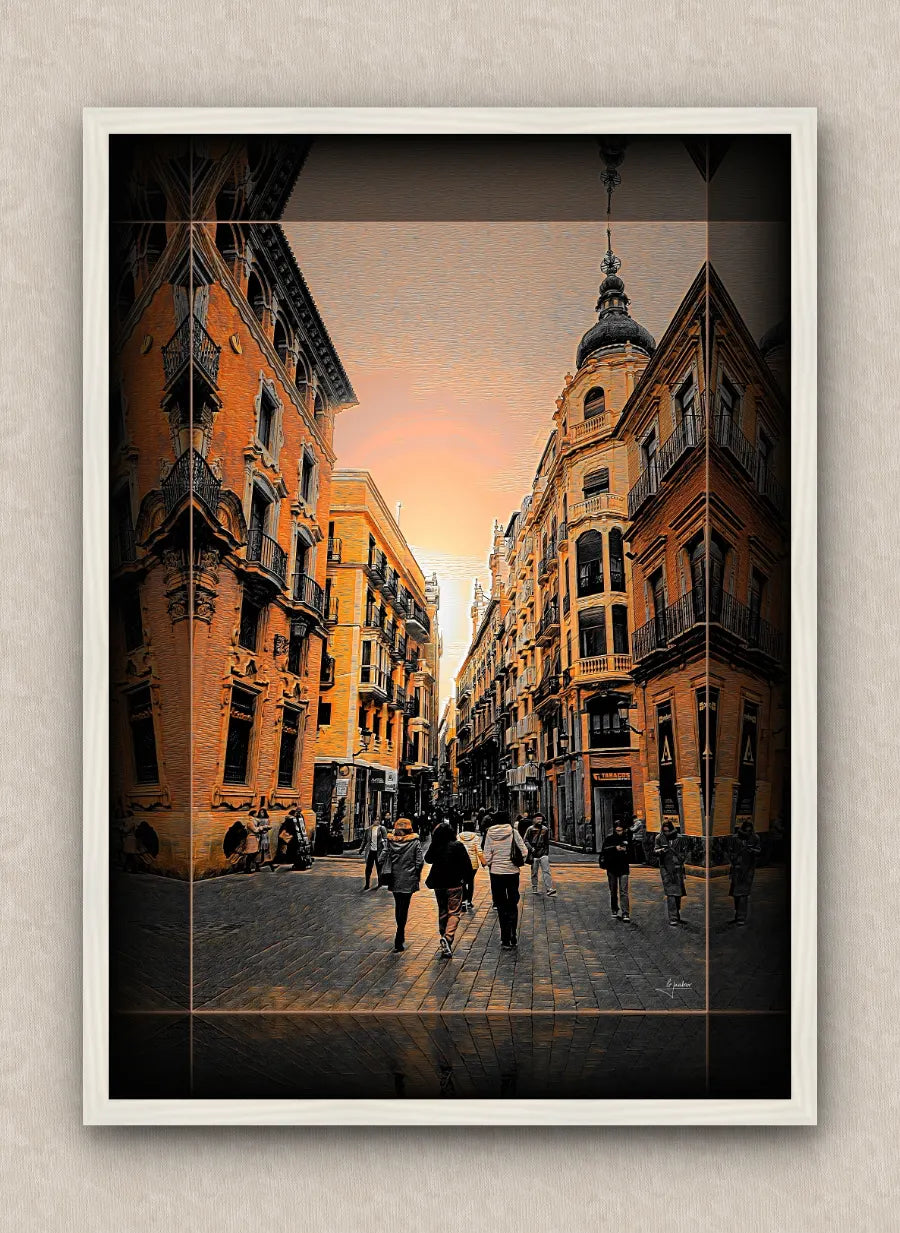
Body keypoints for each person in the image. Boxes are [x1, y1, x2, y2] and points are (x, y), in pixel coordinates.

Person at [424, 822, 473, 956]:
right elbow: (466, 865)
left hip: (439, 883)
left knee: (443, 910)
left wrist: (434, 844)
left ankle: (443, 935)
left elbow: (427, 859)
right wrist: (467, 881)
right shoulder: (457, 846)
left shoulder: (437, 845)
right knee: (454, 912)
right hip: (454, 883)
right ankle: (448, 937)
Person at [482, 809, 528, 948]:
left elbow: (487, 854)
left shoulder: (490, 832)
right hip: (512, 872)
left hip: (496, 873)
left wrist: (491, 863)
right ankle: (513, 933)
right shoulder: (513, 832)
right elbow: (524, 850)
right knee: (512, 904)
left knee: (501, 905)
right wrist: (518, 862)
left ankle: (505, 938)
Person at [380, 816, 425, 952]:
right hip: (409, 878)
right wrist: (416, 874)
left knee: (398, 904)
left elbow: (382, 857)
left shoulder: (390, 841)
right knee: (404, 906)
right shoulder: (414, 842)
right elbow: (420, 861)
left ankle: (399, 932)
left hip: (394, 877)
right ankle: (400, 934)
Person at [729, 818, 762, 925]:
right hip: (737, 870)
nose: (748, 832)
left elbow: (758, 850)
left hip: (748, 870)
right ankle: (738, 913)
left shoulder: (755, 837)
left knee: (743, 893)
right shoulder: (736, 839)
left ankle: (741, 917)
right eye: (746, 830)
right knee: (736, 893)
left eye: (750, 830)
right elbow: (731, 852)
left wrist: (752, 850)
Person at [654, 819, 687, 925]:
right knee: (671, 892)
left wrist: (681, 858)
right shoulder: (659, 838)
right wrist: (661, 851)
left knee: (678, 892)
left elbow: (684, 851)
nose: (666, 833)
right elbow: (655, 850)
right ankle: (673, 917)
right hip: (665, 867)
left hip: (677, 867)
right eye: (664, 831)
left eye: (668, 831)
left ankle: (677, 914)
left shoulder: (679, 838)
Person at [600, 821, 631, 921]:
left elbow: (631, 851)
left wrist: (625, 850)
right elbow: (604, 850)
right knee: (613, 891)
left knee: (624, 892)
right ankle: (614, 909)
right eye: (617, 831)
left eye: (620, 831)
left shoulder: (627, 838)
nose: (619, 832)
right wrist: (615, 848)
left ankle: (625, 913)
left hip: (624, 868)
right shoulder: (610, 839)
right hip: (612, 868)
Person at [524, 812, 556, 896]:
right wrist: (531, 848)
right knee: (534, 872)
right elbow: (525, 840)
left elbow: (546, 842)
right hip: (534, 853)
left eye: (540, 819)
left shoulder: (545, 829)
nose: (539, 821)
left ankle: (549, 888)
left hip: (543, 852)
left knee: (546, 871)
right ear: (534, 820)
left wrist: (546, 852)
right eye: (538, 819)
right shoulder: (530, 829)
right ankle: (534, 886)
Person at [456, 819, 482, 911]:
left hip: (461, 863)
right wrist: (483, 861)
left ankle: (463, 901)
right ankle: (469, 902)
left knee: (462, 881)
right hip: (472, 864)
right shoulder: (475, 837)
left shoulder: (458, 836)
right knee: (470, 882)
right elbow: (479, 851)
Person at [360, 815, 388, 890]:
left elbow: (385, 839)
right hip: (371, 851)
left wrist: (385, 849)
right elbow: (365, 840)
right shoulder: (368, 829)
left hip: (379, 851)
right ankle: (367, 883)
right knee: (368, 868)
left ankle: (380, 882)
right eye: (376, 820)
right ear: (372, 821)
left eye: (378, 820)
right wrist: (361, 849)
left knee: (379, 868)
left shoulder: (382, 829)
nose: (377, 821)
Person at [255, 798, 274, 870]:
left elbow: (270, 826)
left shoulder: (267, 819)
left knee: (266, 850)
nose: (261, 813)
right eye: (260, 812)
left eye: (263, 812)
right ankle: (257, 865)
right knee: (259, 850)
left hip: (265, 836)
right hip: (259, 836)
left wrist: (267, 827)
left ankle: (270, 864)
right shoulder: (257, 820)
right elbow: (256, 828)